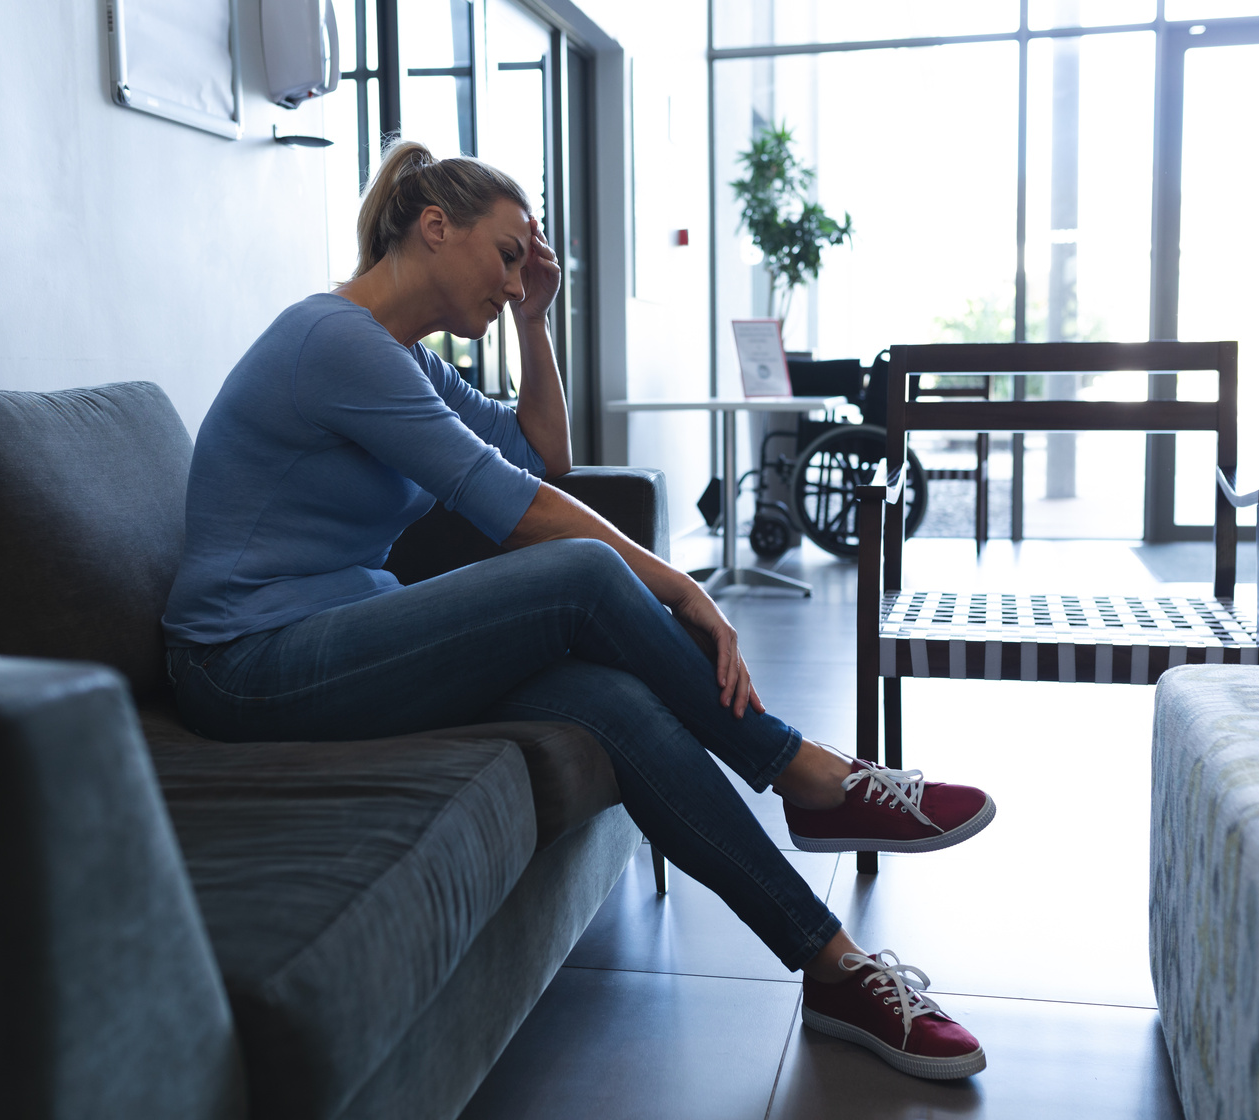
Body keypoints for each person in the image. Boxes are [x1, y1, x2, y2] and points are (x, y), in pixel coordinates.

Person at [162, 139, 997, 1081]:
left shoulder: (405, 361)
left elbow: (540, 453)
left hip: (333, 633)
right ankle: (802, 771)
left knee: (612, 704)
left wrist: (535, 319)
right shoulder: (334, 341)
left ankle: (833, 966)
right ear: (435, 229)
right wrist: (679, 584)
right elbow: (509, 505)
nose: (517, 274)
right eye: (507, 253)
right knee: (586, 573)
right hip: (242, 664)